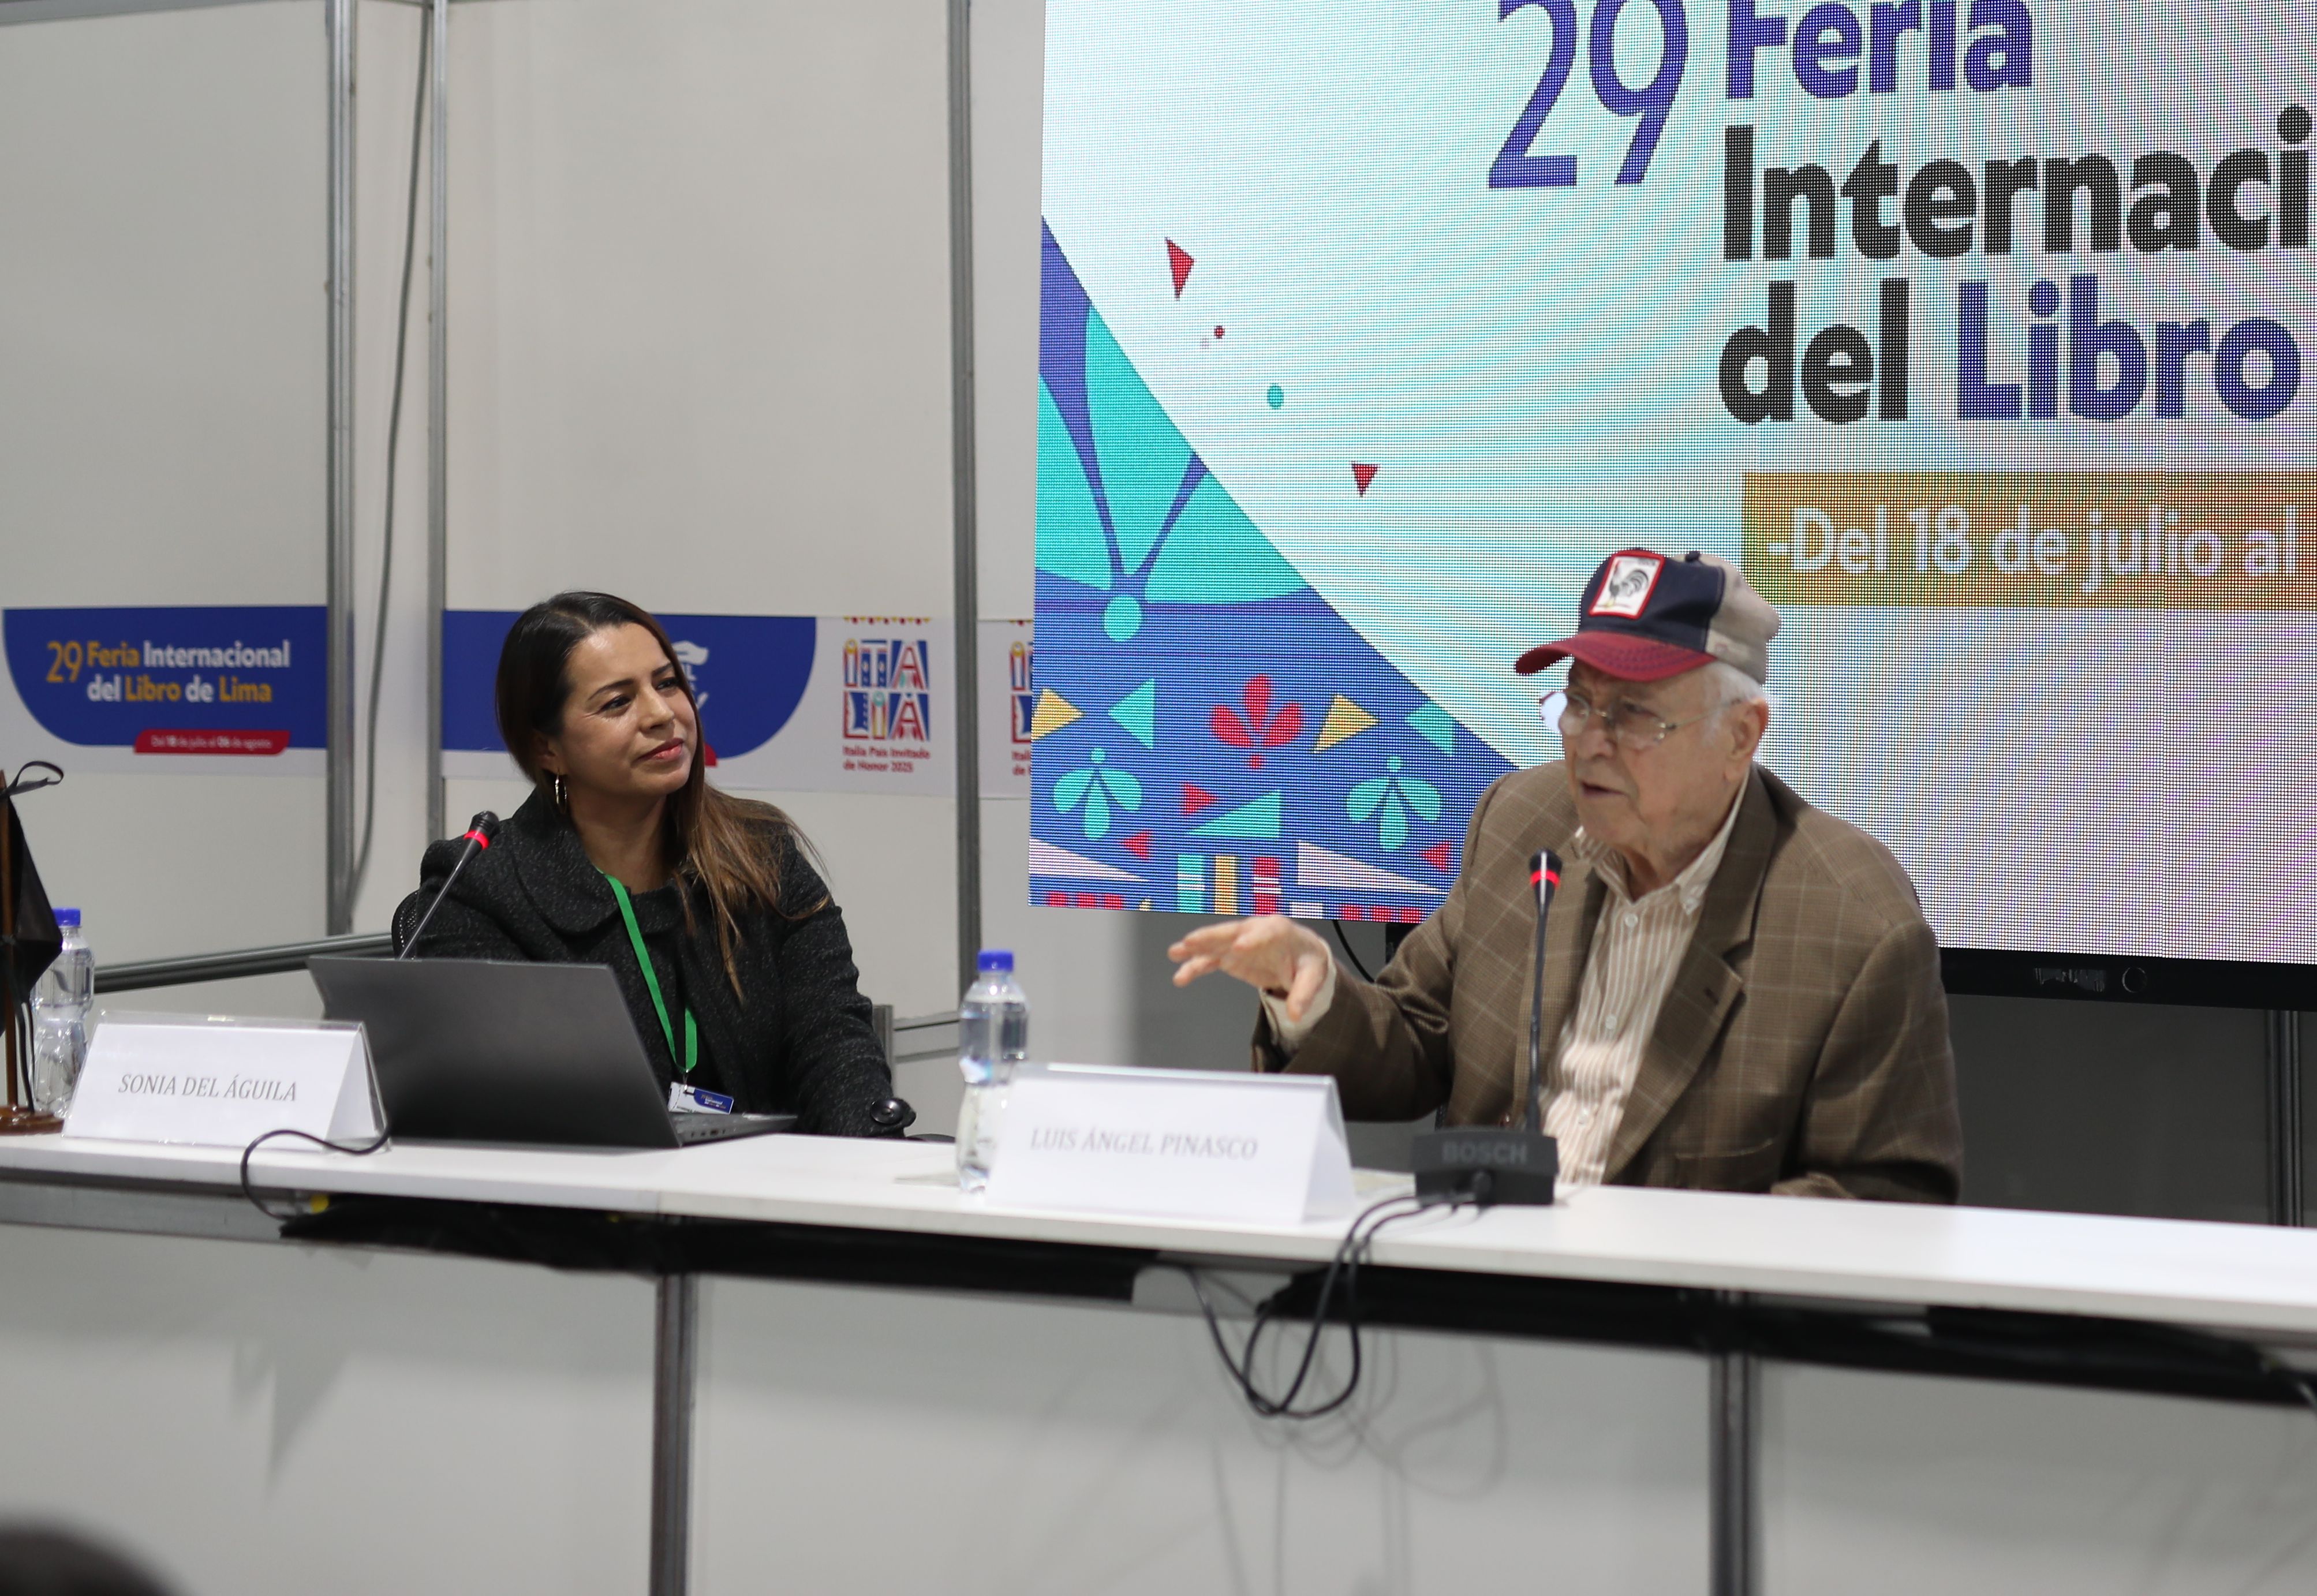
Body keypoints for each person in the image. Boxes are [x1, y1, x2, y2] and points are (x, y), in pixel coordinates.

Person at [1168, 548, 1963, 1201]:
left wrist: (1687, 1251)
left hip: (1678, 1339)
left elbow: (1885, 1198)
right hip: (1475, 1295)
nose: (1588, 743)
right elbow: (1418, 1040)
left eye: (1635, 714)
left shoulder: (1853, 922)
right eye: (1579, 703)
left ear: (1739, 737)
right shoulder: (1522, 822)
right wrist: (1315, 993)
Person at [397, 591, 894, 1135]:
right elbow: (506, 1112)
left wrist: (863, 1163)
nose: (662, 715)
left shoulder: (760, 854)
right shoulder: (481, 893)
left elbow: (833, 1041)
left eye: (667, 683)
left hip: (760, 1202)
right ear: (547, 749)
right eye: (617, 702)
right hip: (584, 1207)